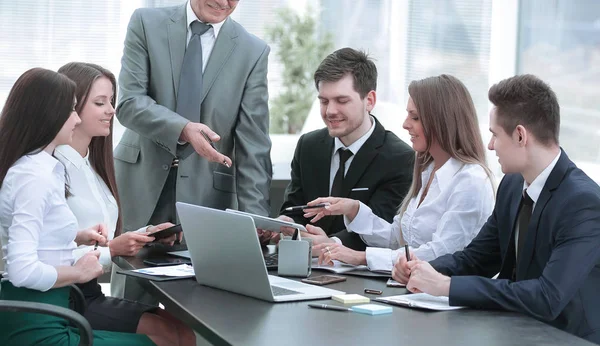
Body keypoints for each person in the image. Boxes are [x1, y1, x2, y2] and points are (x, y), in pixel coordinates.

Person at [392, 74, 600, 344]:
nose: (490, 145)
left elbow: (548, 296)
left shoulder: (583, 203)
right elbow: (477, 259)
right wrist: (422, 268)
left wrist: (447, 286)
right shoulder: (512, 185)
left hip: (566, 338)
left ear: (520, 135)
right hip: (510, 329)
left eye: (494, 134)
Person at [115, 0, 272, 300]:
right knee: (130, 305)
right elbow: (129, 103)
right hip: (140, 184)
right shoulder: (146, 23)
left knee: (199, 307)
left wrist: (256, 221)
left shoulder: (253, 51)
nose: (225, 3)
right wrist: (183, 128)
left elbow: (254, 144)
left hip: (206, 199)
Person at [0, 68, 159, 345]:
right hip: (42, 316)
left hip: (55, 306)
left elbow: (38, 231)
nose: (75, 118)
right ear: (48, 115)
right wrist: (81, 271)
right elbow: (21, 270)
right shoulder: (34, 176)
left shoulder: (44, 169)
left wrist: (77, 235)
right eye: (71, 110)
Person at [55, 62, 195, 345]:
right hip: (66, 297)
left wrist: (146, 234)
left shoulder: (92, 168)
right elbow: (50, 250)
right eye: (100, 102)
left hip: (88, 292)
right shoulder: (53, 169)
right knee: (170, 333)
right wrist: (114, 250)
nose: (111, 110)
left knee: (181, 326)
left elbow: (97, 237)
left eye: (112, 101)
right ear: (71, 106)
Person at [308, 74, 495, 272]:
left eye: (415, 117)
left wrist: (360, 257)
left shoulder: (470, 181)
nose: (405, 124)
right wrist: (354, 209)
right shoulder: (428, 170)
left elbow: (440, 253)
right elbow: (397, 238)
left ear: (442, 121)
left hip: (443, 296)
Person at [271, 47, 414, 251]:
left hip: (360, 273)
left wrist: (333, 244)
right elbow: (296, 209)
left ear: (370, 101)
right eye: (324, 101)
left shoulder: (399, 158)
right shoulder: (308, 146)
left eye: (342, 100)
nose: (330, 111)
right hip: (304, 264)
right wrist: (283, 225)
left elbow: (385, 230)